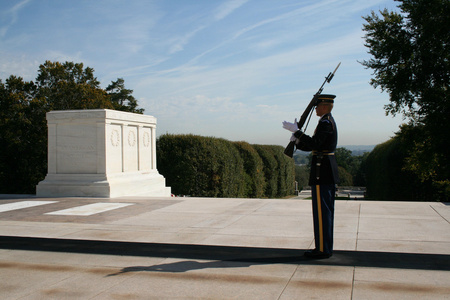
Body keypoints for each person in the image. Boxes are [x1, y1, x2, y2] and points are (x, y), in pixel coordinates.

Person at [282, 94, 339, 259]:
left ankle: (323, 249)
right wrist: (298, 141)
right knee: (323, 212)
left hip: (323, 171)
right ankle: (322, 247)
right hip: (323, 170)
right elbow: (315, 145)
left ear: (324, 107)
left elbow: (315, 144)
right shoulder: (325, 122)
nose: (315, 109)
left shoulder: (326, 123)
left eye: (317, 106)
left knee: (322, 213)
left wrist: (298, 132)